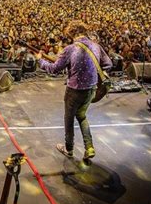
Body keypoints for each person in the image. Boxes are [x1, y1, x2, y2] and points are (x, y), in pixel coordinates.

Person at [35, 20, 112, 161]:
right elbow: (108, 64)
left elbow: (54, 69)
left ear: (72, 33)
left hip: (74, 90)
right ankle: (89, 147)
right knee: (81, 116)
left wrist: (40, 60)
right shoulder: (96, 46)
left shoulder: (70, 49)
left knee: (69, 119)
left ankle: (69, 149)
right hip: (92, 89)